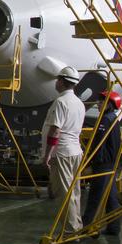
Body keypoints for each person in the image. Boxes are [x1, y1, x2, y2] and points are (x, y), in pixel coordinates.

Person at [43, 66, 86, 234]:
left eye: (57, 79)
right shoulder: (79, 103)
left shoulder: (61, 102)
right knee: (75, 191)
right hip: (75, 151)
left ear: (61, 81)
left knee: (65, 193)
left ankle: (70, 230)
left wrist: (47, 155)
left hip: (61, 152)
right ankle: (77, 225)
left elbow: (55, 130)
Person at [82, 91, 122, 236]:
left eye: (101, 102)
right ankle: (114, 227)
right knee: (111, 197)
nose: (98, 104)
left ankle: (85, 226)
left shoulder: (105, 120)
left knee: (95, 195)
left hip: (103, 163)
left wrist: (92, 161)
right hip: (111, 163)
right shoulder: (113, 119)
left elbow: (99, 143)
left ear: (109, 104)